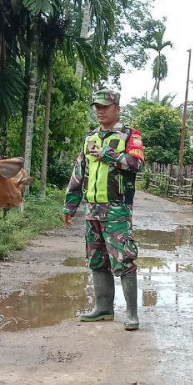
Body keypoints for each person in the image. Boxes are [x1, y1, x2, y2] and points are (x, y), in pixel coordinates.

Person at [63, 89, 146, 331]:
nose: (100, 111)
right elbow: (79, 172)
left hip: (117, 210)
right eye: (97, 107)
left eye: (104, 107)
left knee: (124, 259)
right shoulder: (90, 138)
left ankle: (131, 314)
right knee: (97, 259)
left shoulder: (130, 135)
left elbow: (137, 164)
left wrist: (107, 155)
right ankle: (103, 309)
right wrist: (70, 204)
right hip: (92, 211)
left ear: (117, 109)